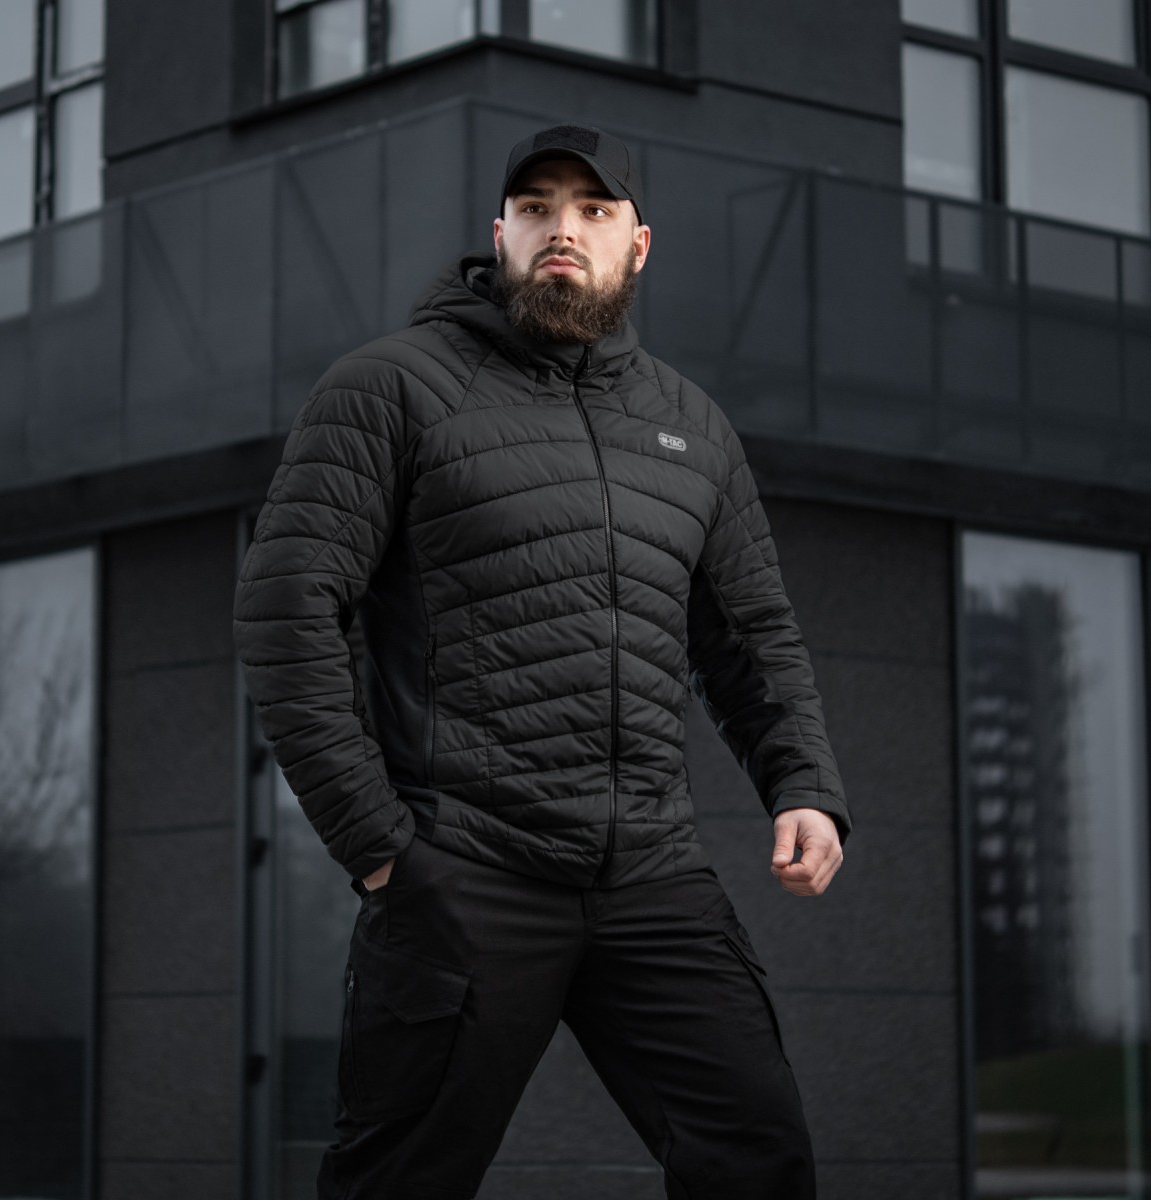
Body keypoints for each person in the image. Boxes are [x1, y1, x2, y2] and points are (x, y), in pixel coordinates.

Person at [233, 123, 850, 1199]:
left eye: (593, 209)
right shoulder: (391, 387)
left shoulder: (693, 426)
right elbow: (286, 610)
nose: (563, 228)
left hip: (652, 876)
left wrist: (803, 783)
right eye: (536, 208)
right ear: (500, 233)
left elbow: (751, 632)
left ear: (638, 245)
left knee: (760, 1160)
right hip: (465, 871)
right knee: (398, 1183)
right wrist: (382, 852)